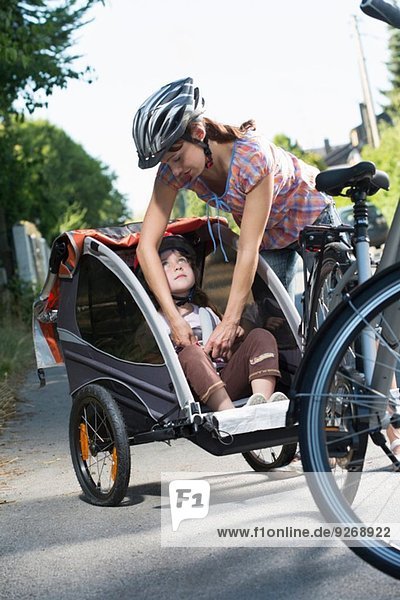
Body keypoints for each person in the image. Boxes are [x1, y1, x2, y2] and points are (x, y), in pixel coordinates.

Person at [132, 77, 340, 361]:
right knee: (277, 328)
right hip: (270, 237)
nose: (175, 170)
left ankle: (384, 395)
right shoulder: (173, 172)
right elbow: (146, 247)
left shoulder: (251, 157)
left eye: (178, 158)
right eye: (168, 163)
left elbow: (247, 247)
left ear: (198, 132)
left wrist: (230, 323)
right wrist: (174, 319)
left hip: (312, 217)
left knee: (336, 316)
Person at [152, 235, 286, 412]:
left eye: (182, 260)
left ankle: (265, 404)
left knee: (260, 336)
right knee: (191, 353)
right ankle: (228, 413)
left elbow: (226, 356)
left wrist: (233, 342)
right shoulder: (157, 320)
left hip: (225, 379)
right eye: (165, 264)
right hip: (192, 391)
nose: (177, 266)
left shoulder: (206, 312)